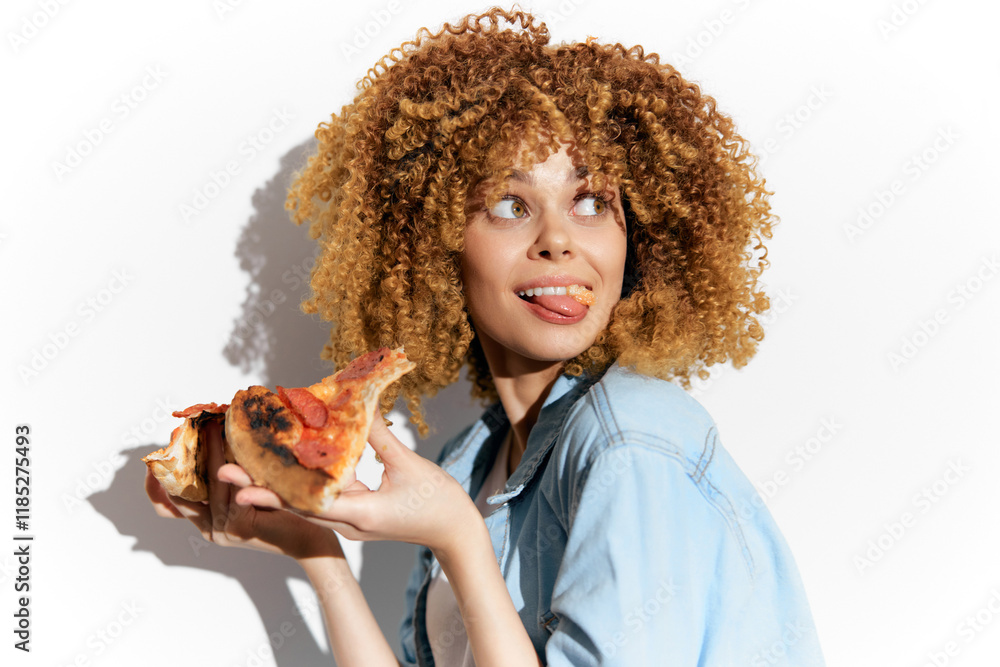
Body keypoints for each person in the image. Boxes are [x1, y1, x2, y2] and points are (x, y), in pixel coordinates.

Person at [146, 7, 825, 666]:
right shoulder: (470, 462)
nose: (558, 239)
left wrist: (460, 538)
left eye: (591, 202)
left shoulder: (633, 441)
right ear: (437, 246)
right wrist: (316, 555)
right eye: (510, 205)